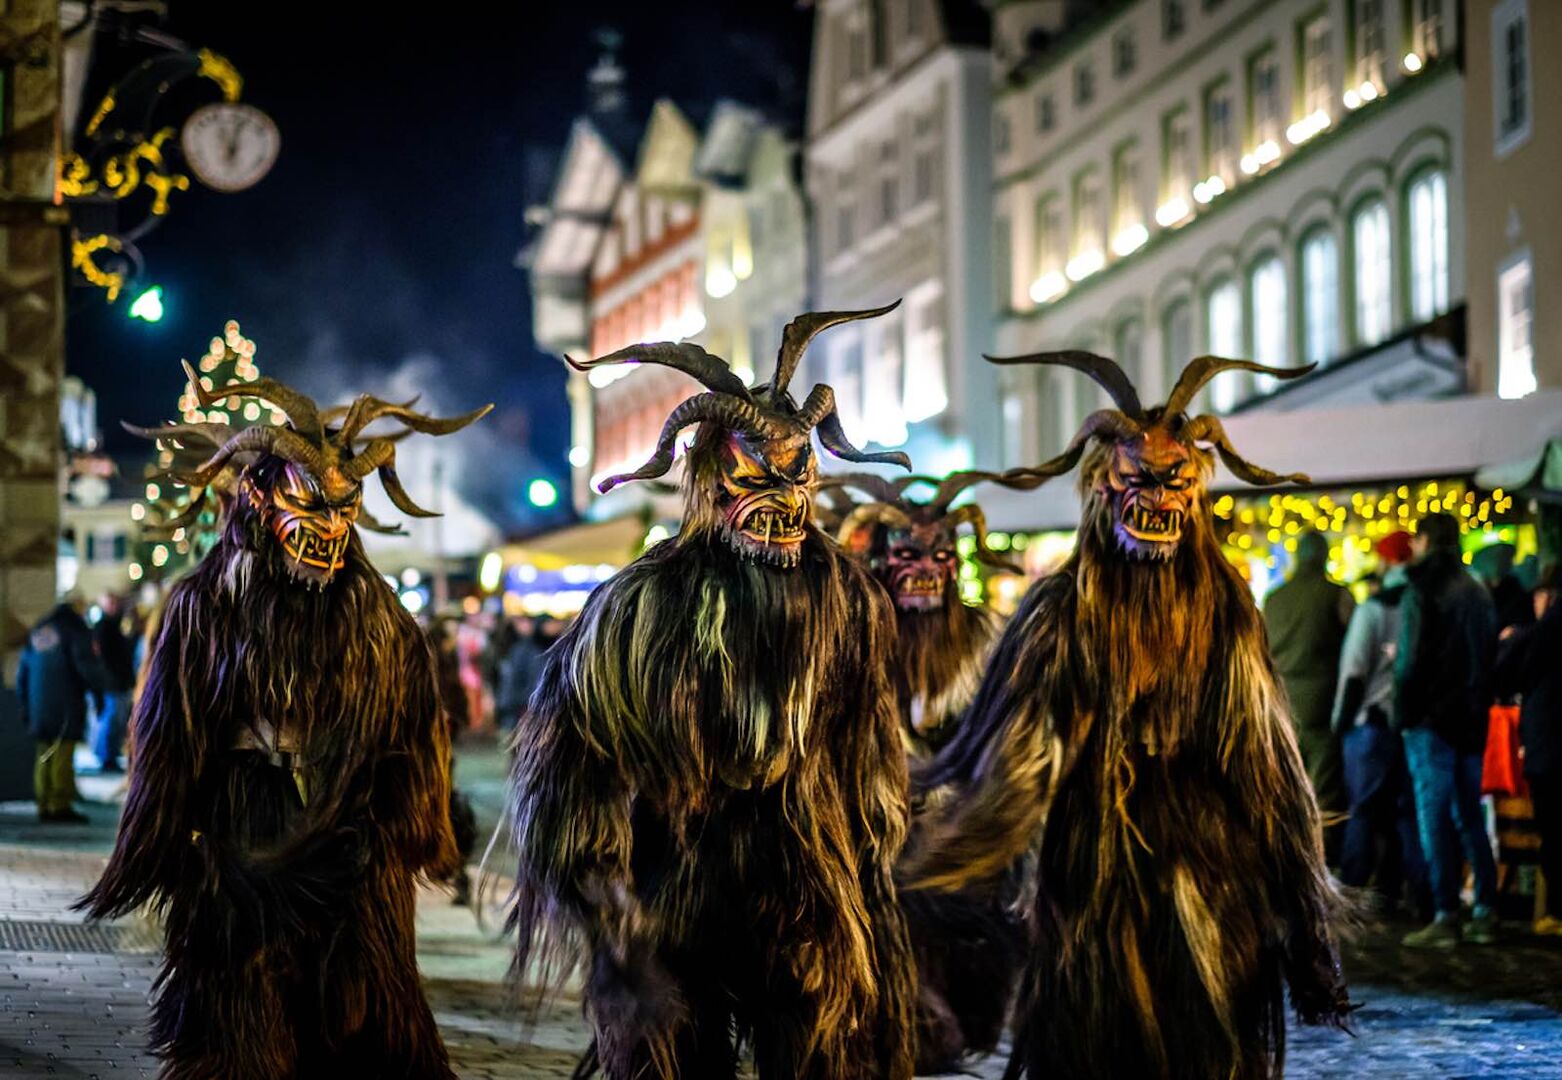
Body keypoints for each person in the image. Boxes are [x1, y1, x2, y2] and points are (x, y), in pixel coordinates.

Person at [905, 352, 1348, 1079]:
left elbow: (1268, 762)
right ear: (1100, 485)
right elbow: (1018, 757)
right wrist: (959, 855)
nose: (1155, 495)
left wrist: (1303, 901)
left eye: (1174, 479)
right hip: (1093, 872)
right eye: (1135, 477)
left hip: (1209, 869)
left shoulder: (1225, 610)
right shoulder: (1060, 614)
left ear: (1197, 488)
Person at [510, 309, 917, 1079]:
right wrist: (601, 894)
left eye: (797, 473)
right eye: (754, 475)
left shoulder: (850, 600)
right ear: (707, 478)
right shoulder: (642, 604)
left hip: (806, 883)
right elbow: (574, 754)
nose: (783, 497)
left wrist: (873, 854)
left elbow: (865, 743)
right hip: (676, 885)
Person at [80, 368, 488, 1077]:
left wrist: (410, 828)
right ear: (262, 499)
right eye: (311, 506)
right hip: (243, 836)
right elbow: (170, 737)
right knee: (241, 1030)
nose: (329, 531)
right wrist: (166, 839)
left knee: (367, 1027)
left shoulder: (379, 615)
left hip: (350, 844)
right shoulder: (206, 605)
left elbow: (416, 732)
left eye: (343, 510)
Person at [1394, 511, 1500, 948]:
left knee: (1433, 816)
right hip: (1471, 719)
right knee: (1470, 814)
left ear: (1422, 541)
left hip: (1431, 720)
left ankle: (1445, 914)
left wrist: (1405, 712)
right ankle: (1486, 911)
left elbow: (1410, 661)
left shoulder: (1424, 589)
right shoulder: (1477, 591)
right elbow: (1487, 657)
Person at [1332, 531, 1429, 918]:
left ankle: (1352, 894)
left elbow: (1354, 670)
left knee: (1364, 810)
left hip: (1371, 724)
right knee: (1407, 813)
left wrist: (1342, 719)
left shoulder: (1373, 609)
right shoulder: (1424, 602)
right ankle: (1419, 894)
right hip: (1411, 724)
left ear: (1388, 561)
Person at [1265, 530, 1356, 862]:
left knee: (1286, 787)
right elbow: (1356, 650)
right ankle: (1322, 863)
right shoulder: (1336, 595)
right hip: (1322, 704)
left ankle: (1287, 862)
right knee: (1324, 791)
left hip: (1280, 705)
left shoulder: (1274, 598)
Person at [1493, 565, 1562, 935]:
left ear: (1547, 596)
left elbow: (1506, 674)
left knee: (1552, 827)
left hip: (1549, 747)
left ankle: (1554, 911)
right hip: (1548, 744)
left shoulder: (1543, 632)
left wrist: (1512, 640)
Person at [16, 591, 108, 823]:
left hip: (38, 702)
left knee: (44, 752)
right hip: (65, 702)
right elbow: (86, 666)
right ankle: (59, 804)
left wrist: (25, 703)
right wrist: (98, 693)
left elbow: (22, 672)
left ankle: (44, 803)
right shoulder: (74, 630)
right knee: (62, 752)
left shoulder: (40, 629)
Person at [89, 592, 136, 773]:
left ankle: (110, 756)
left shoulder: (113, 625)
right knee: (111, 720)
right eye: (110, 603)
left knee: (116, 721)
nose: (114, 606)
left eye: (115, 603)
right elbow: (106, 658)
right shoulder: (104, 627)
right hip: (112, 683)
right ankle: (106, 757)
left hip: (118, 682)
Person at [494, 616, 540, 731]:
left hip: (526, 700)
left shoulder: (533, 646)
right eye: (521, 622)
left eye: (527, 622)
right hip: (516, 701)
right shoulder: (515, 647)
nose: (525, 626)